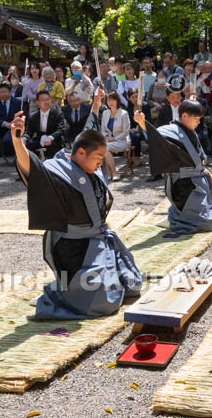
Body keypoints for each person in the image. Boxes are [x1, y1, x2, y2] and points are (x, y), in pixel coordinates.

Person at [11, 116, 143, 319]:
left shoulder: (92, 167)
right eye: (99, 157)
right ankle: (57, 294)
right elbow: (31, 167)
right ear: (81, 152)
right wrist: (17, 141)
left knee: (132, 284)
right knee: (103, 304)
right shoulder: (56, 172)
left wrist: (97, 104)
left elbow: (90, 124)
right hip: (74, 248)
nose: (102, 163)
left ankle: (70, 288)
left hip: (99, 241)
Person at [136, 99, 212, 235]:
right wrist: (142, 123)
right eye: (196, 119)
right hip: (184, 185)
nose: (198, 122)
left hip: (198, 179)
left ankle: (176, 215)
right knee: (207, 224)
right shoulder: (170, 131)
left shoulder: (189, 129)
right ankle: (175, 218)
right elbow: (156, 137)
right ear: (184, 116)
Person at [98, 89, 130, 181]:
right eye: (108, 100)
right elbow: (102, 130)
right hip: (108, 141)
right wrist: (106, 137)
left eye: (113, 100)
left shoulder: (124, 113)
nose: (110, 102)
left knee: (105, 147)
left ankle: (113, 172)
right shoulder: (105, 113)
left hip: (122, 140)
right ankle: (109, 172)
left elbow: (126, 131)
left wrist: (114, 139)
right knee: (103, 147)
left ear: (117, 100)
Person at [26, 90, 68, 157]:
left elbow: (60, 129)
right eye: (43, 100)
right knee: (26, 146)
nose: (46, 102)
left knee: (52, 146)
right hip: (40, 139)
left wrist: (51, 137)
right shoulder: (34, 116)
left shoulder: (58, 114)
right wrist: (24, 138)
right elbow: (29, 132)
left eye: (47, 99)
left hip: (54, 139)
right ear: (38, 102)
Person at [0, 83, 23, 156]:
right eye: (1, 92)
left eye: (5, 92)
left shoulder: (18, 102)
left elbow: (22, 116)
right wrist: (4, 123)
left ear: (10, 92)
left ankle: (10, 156)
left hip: (13, 127)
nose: (3, 94)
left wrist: (13, 124)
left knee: (7, 140)